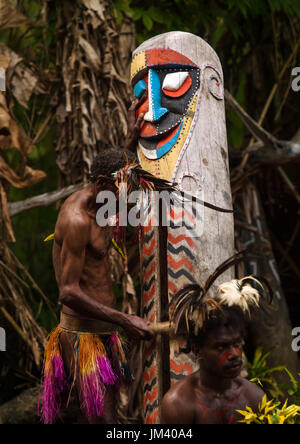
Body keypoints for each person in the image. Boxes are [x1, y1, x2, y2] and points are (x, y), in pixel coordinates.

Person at [39, 100, 153, 424]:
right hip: (83, 337)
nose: (128, 196)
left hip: (105, 333)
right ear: (103, 185)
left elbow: (117, 169)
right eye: (124, 188)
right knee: (103, 422)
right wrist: (126, 320)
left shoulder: (103, 197)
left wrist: (129, 140)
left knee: (110, 414)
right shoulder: (77, 220)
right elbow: (68, 292)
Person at [161, 278, 267, 424]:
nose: (234, 354)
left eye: (236, 344)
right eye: (221, 347)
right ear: (198, 351)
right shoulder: (179, 404)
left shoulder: (254, 398)